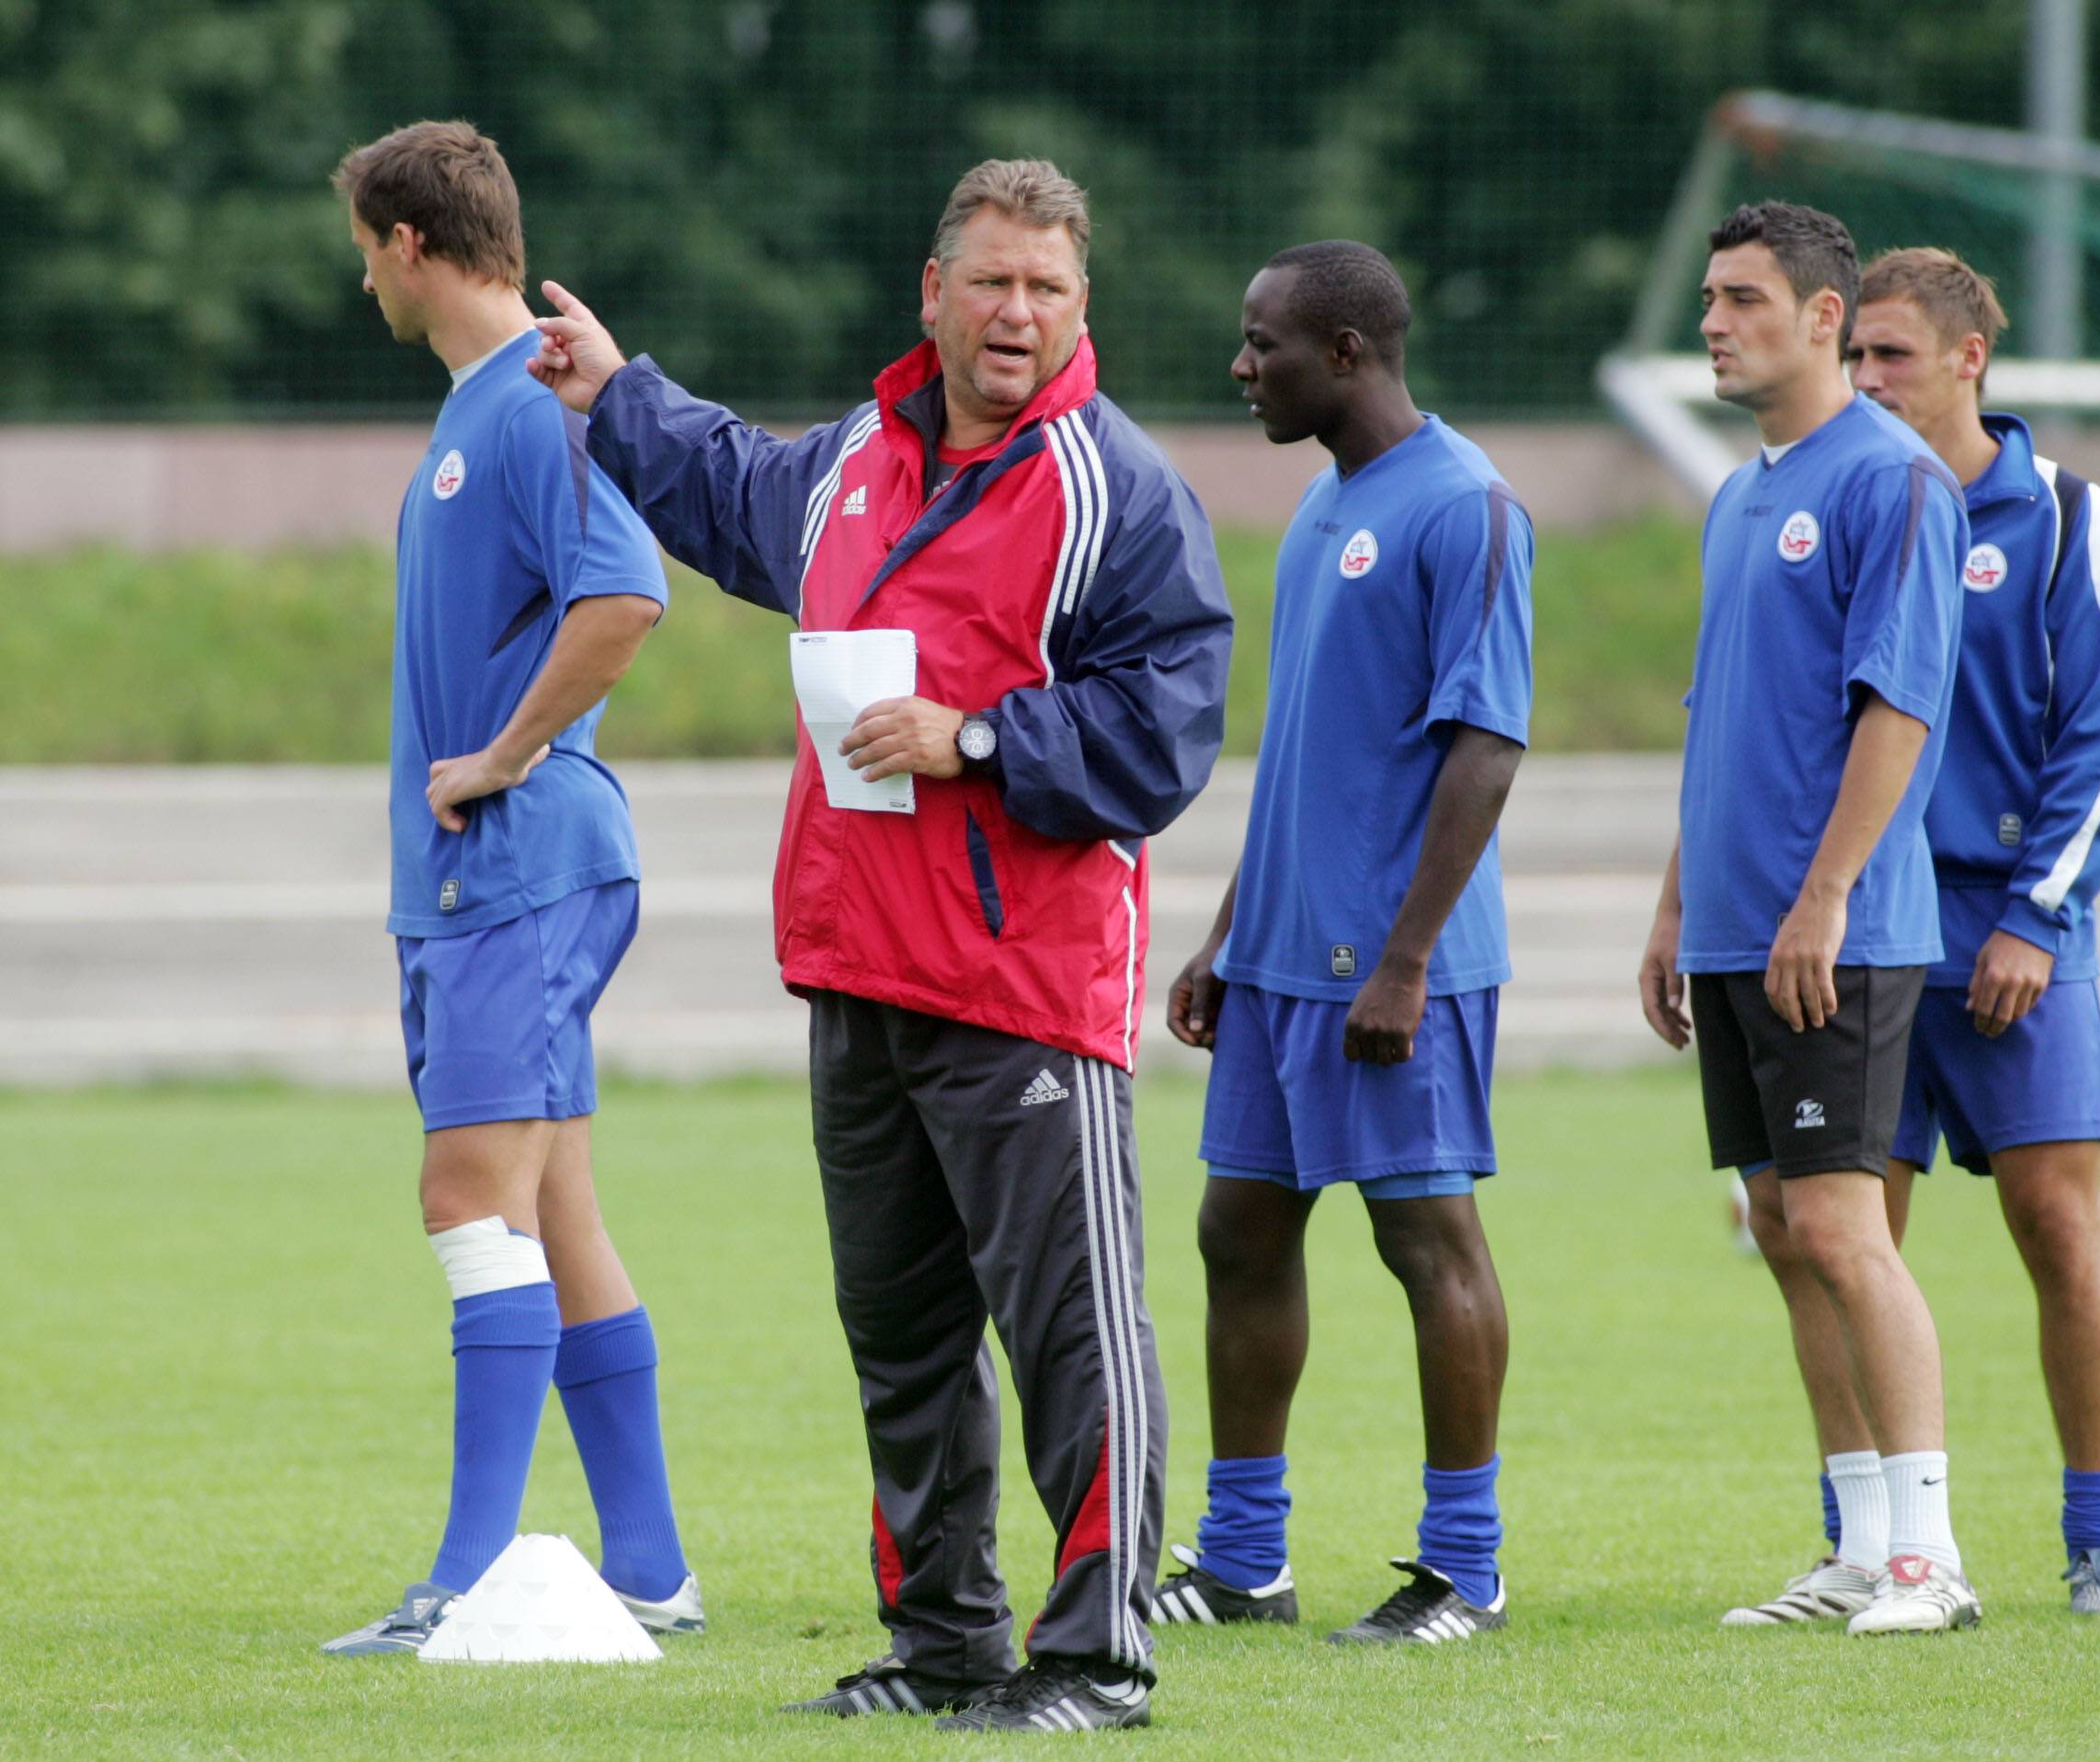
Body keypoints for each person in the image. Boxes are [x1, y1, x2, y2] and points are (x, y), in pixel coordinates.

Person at [526, 159, 1232, 1733]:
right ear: (934, 291)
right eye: (991, 281)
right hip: (856, 965)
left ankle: (1096, 1658)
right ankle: (943, 1645)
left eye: (1047, 289)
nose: (1017, 314)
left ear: (1081, 307)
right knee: (903, 1343)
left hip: (1023, 984)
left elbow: (1172, 719)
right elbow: (732, 490)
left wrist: (979, 741)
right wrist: (614, 389)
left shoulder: (1112, 487)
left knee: (1072, 1340)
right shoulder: (861, 453)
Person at [320, 120, 697, 1654]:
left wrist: (497, 757)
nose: (361, 281)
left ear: (411, 242)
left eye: (365, 248)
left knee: (468, 1197)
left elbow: (627, 596)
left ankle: (467, 1579)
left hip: (520, 876)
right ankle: (654, 1568)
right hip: (474, 891)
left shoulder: (534, 405)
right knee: (556, 1207)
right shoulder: (476, 411)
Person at [1156, 243, 1532, 1646]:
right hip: (1278, 963)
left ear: (1349, 354)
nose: (1243, 367)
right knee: (1236, 1231)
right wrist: (1225, 934)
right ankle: (1246, 1563)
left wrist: (1407, 956)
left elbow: (1486, 745)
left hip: (1392, 969)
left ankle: (1465, 1571)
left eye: (1265, 345)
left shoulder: (1466, 506)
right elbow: (1309, 752)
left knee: (1427, 1244)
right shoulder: (1328, 508)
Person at [1637, 202, 1978, 1635]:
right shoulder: (1738, 492)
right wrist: (1672, 905)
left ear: (1826, 317)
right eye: (1709, 298)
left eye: (1743, 299)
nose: (1713, 321)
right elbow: (1722, 715)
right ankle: (1857, 1543)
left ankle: (1931, 1560)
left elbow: (1898, 705)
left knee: (1846, 1228)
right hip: (1731, 927)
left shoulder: (1889, 481)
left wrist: (1825, 892)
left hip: (1834, 930)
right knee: (1780, 1222)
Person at [1846, 247, 2100, 1616]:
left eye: (1891, 355)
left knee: (2055, 1223)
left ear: (1970, 358)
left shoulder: (2074, 518)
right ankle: (1873, 1546)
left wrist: (2040, 913)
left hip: (2008, 923)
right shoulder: (1853, 504)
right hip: (1864, 926)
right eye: (1854, 355)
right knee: (1852, 1241)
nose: (1866, 380)